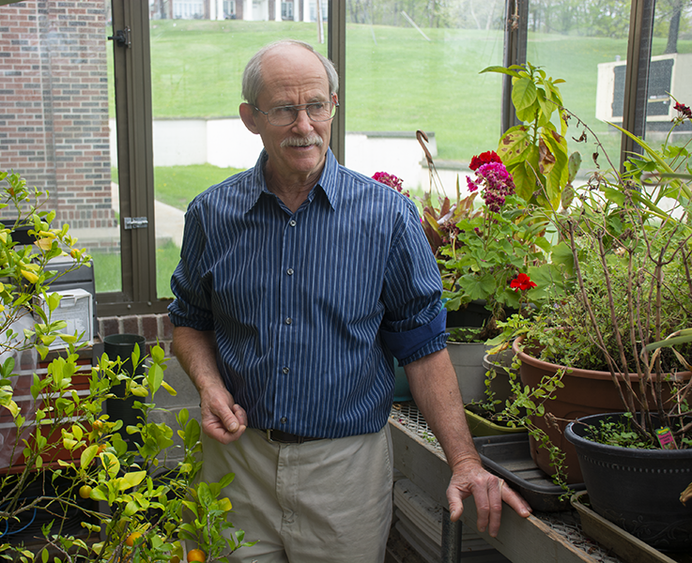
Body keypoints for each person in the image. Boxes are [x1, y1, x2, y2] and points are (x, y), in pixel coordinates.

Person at [167, 39, 531, 563]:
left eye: (316, 105)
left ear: (334, 105)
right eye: (283, 109)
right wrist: (208, 384)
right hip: (236, 465)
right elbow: (189, 321)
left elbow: (423, 350)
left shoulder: (387, 219)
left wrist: (466, 462)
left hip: (345, 475)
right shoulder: (211, 215)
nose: (303, 124)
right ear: (251, 118)